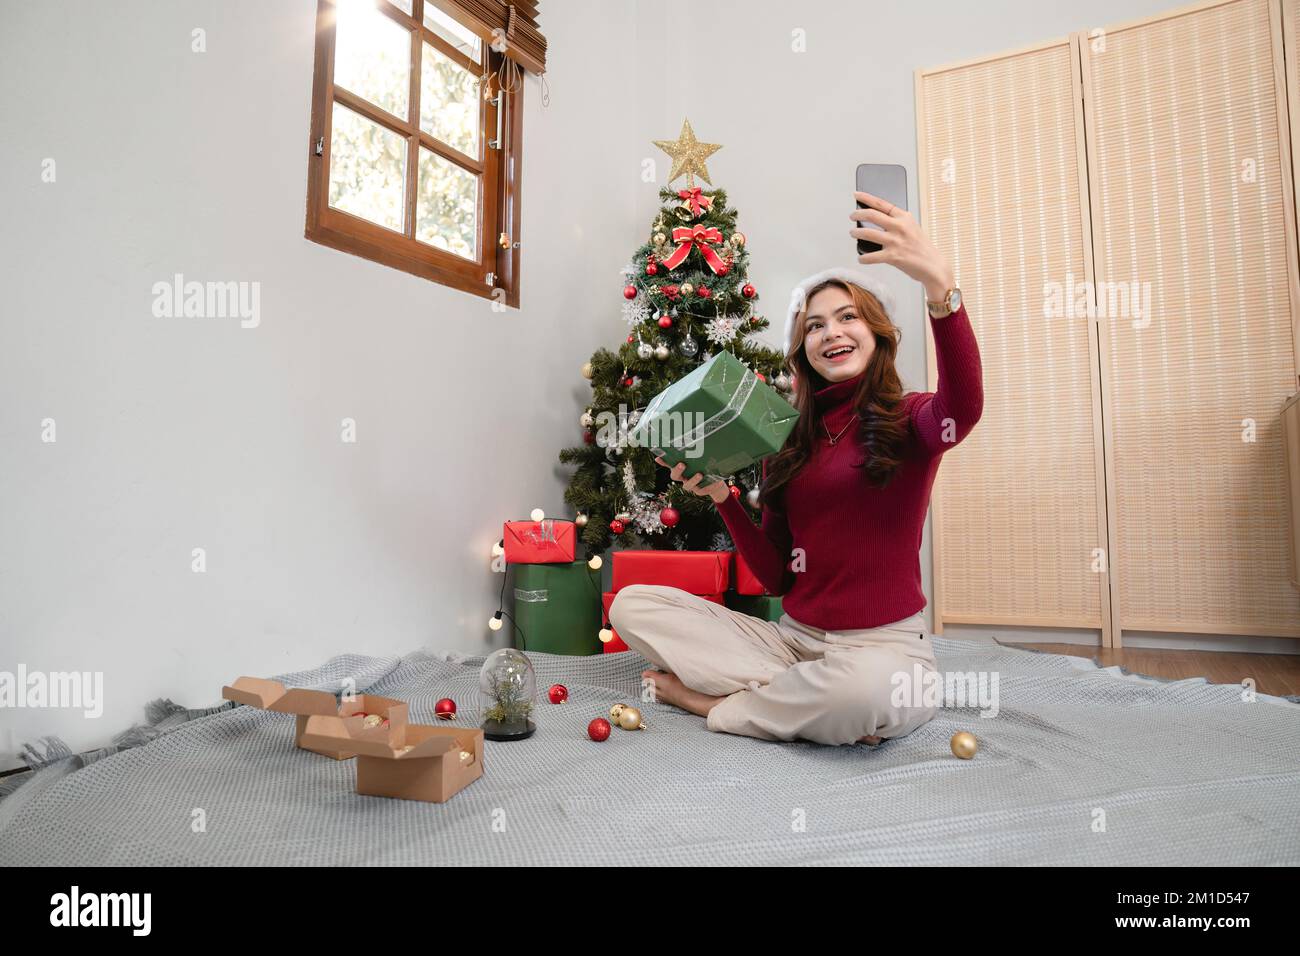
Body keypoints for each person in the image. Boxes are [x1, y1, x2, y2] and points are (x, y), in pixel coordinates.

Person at [608, 190, 984, 747]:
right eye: (814, 326)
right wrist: (723, 498)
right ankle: (807, 700)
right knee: (636, 604)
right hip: (790, 644)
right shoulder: (785, 441)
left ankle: (718, 705)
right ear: (802, 348)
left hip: (884, 652)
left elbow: (965, 407)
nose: (831, 332)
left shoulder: (912, 419)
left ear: (876, 333)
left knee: (866, 690)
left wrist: (940, 289)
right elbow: (779, 577)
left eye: (848, 317)